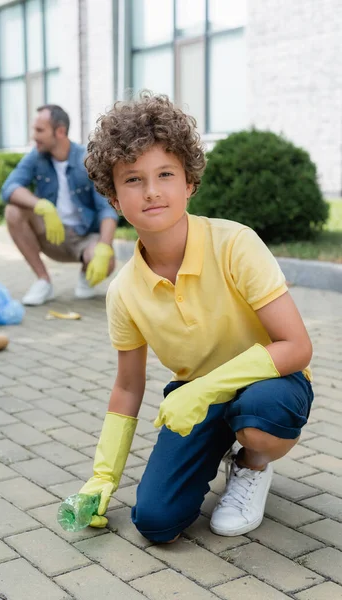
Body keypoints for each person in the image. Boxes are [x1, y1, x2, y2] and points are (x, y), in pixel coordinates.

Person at [76, 92, 313, 543]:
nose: (151, 191)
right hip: (194, 398)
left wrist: (205, 388)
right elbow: (128, 385)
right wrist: (103, 476)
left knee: (262, 413)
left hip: (270, 382)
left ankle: (251, 464)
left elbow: (297, 347)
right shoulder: (124, 290)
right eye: (132, 179)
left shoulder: (235, 244)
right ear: (112, 195)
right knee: (155, 523)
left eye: (165, 174)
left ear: (189, 182)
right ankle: (215, 442)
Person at [1, 104, 118, 305]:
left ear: (60, 131)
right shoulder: (36, 157)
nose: (34, 136)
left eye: (40, 130)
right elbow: (10, 187)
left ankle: (86, 279)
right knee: (13, 211)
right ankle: (43, 281)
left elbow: (106, 208)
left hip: (84, 238)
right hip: (51, 234)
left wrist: (104, 246)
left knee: (106, 259)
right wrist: (41, 205)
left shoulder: (87, 160)